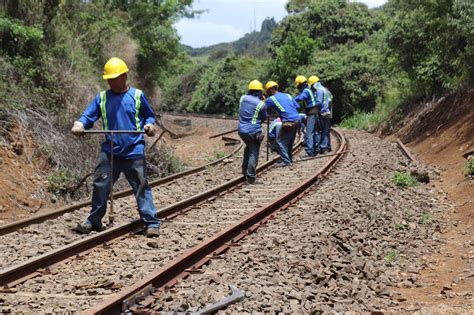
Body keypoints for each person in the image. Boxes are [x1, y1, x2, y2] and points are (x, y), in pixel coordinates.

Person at [71, 57, 161, 238]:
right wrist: (80, 124)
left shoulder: (136, 96)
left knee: (141, 187)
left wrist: (150, 126)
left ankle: (151, 223)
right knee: (100, 185)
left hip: (133, 150)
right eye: (109, 79)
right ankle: (94, 221)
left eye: (115, 78)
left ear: (125, 76)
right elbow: (88, 116)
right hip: (110, 150)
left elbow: (149, 116)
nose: (112, 82)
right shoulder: (102, 98)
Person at [264, 81, 300, 166]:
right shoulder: (288, 95)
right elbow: (297, 106)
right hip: (297, 119)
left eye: (268, 91)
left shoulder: (271, 99)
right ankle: (289, 159)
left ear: (271, 89)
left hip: (288, 121)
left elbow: (263, 108)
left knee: (279, 141)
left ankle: (286, 161)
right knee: (289, 142)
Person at [238, 80, 267, 184]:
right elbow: (264, 118)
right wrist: (263, 101)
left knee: (248, 148)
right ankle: (250, 178)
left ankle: (244, 171)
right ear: (260, 92)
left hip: (241, 131)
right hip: (253, 131)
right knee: (254, 152)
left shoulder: (243, 98)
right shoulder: (261, 104)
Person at [294, 75, 320, 157]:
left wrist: (292, 100)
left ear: (300, 84)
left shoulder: (305, 91)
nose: (298, 87)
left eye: (298, 85)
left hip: (311, 113)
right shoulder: (309, 89)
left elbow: (301, 98)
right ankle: (316, 149)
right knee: (315, 132)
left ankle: (310, 151)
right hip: (315, 112)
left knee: (309, 132)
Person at [309, 75, 332, 153]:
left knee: (321, 131)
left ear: (313, 83)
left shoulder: (319, 90)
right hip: (327, 111)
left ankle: (323, 147)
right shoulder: (324, 89)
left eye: (311, 85)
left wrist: (311, 106)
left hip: (322, 112)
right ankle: (326, 147)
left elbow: (318, 102)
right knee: (325, 130)